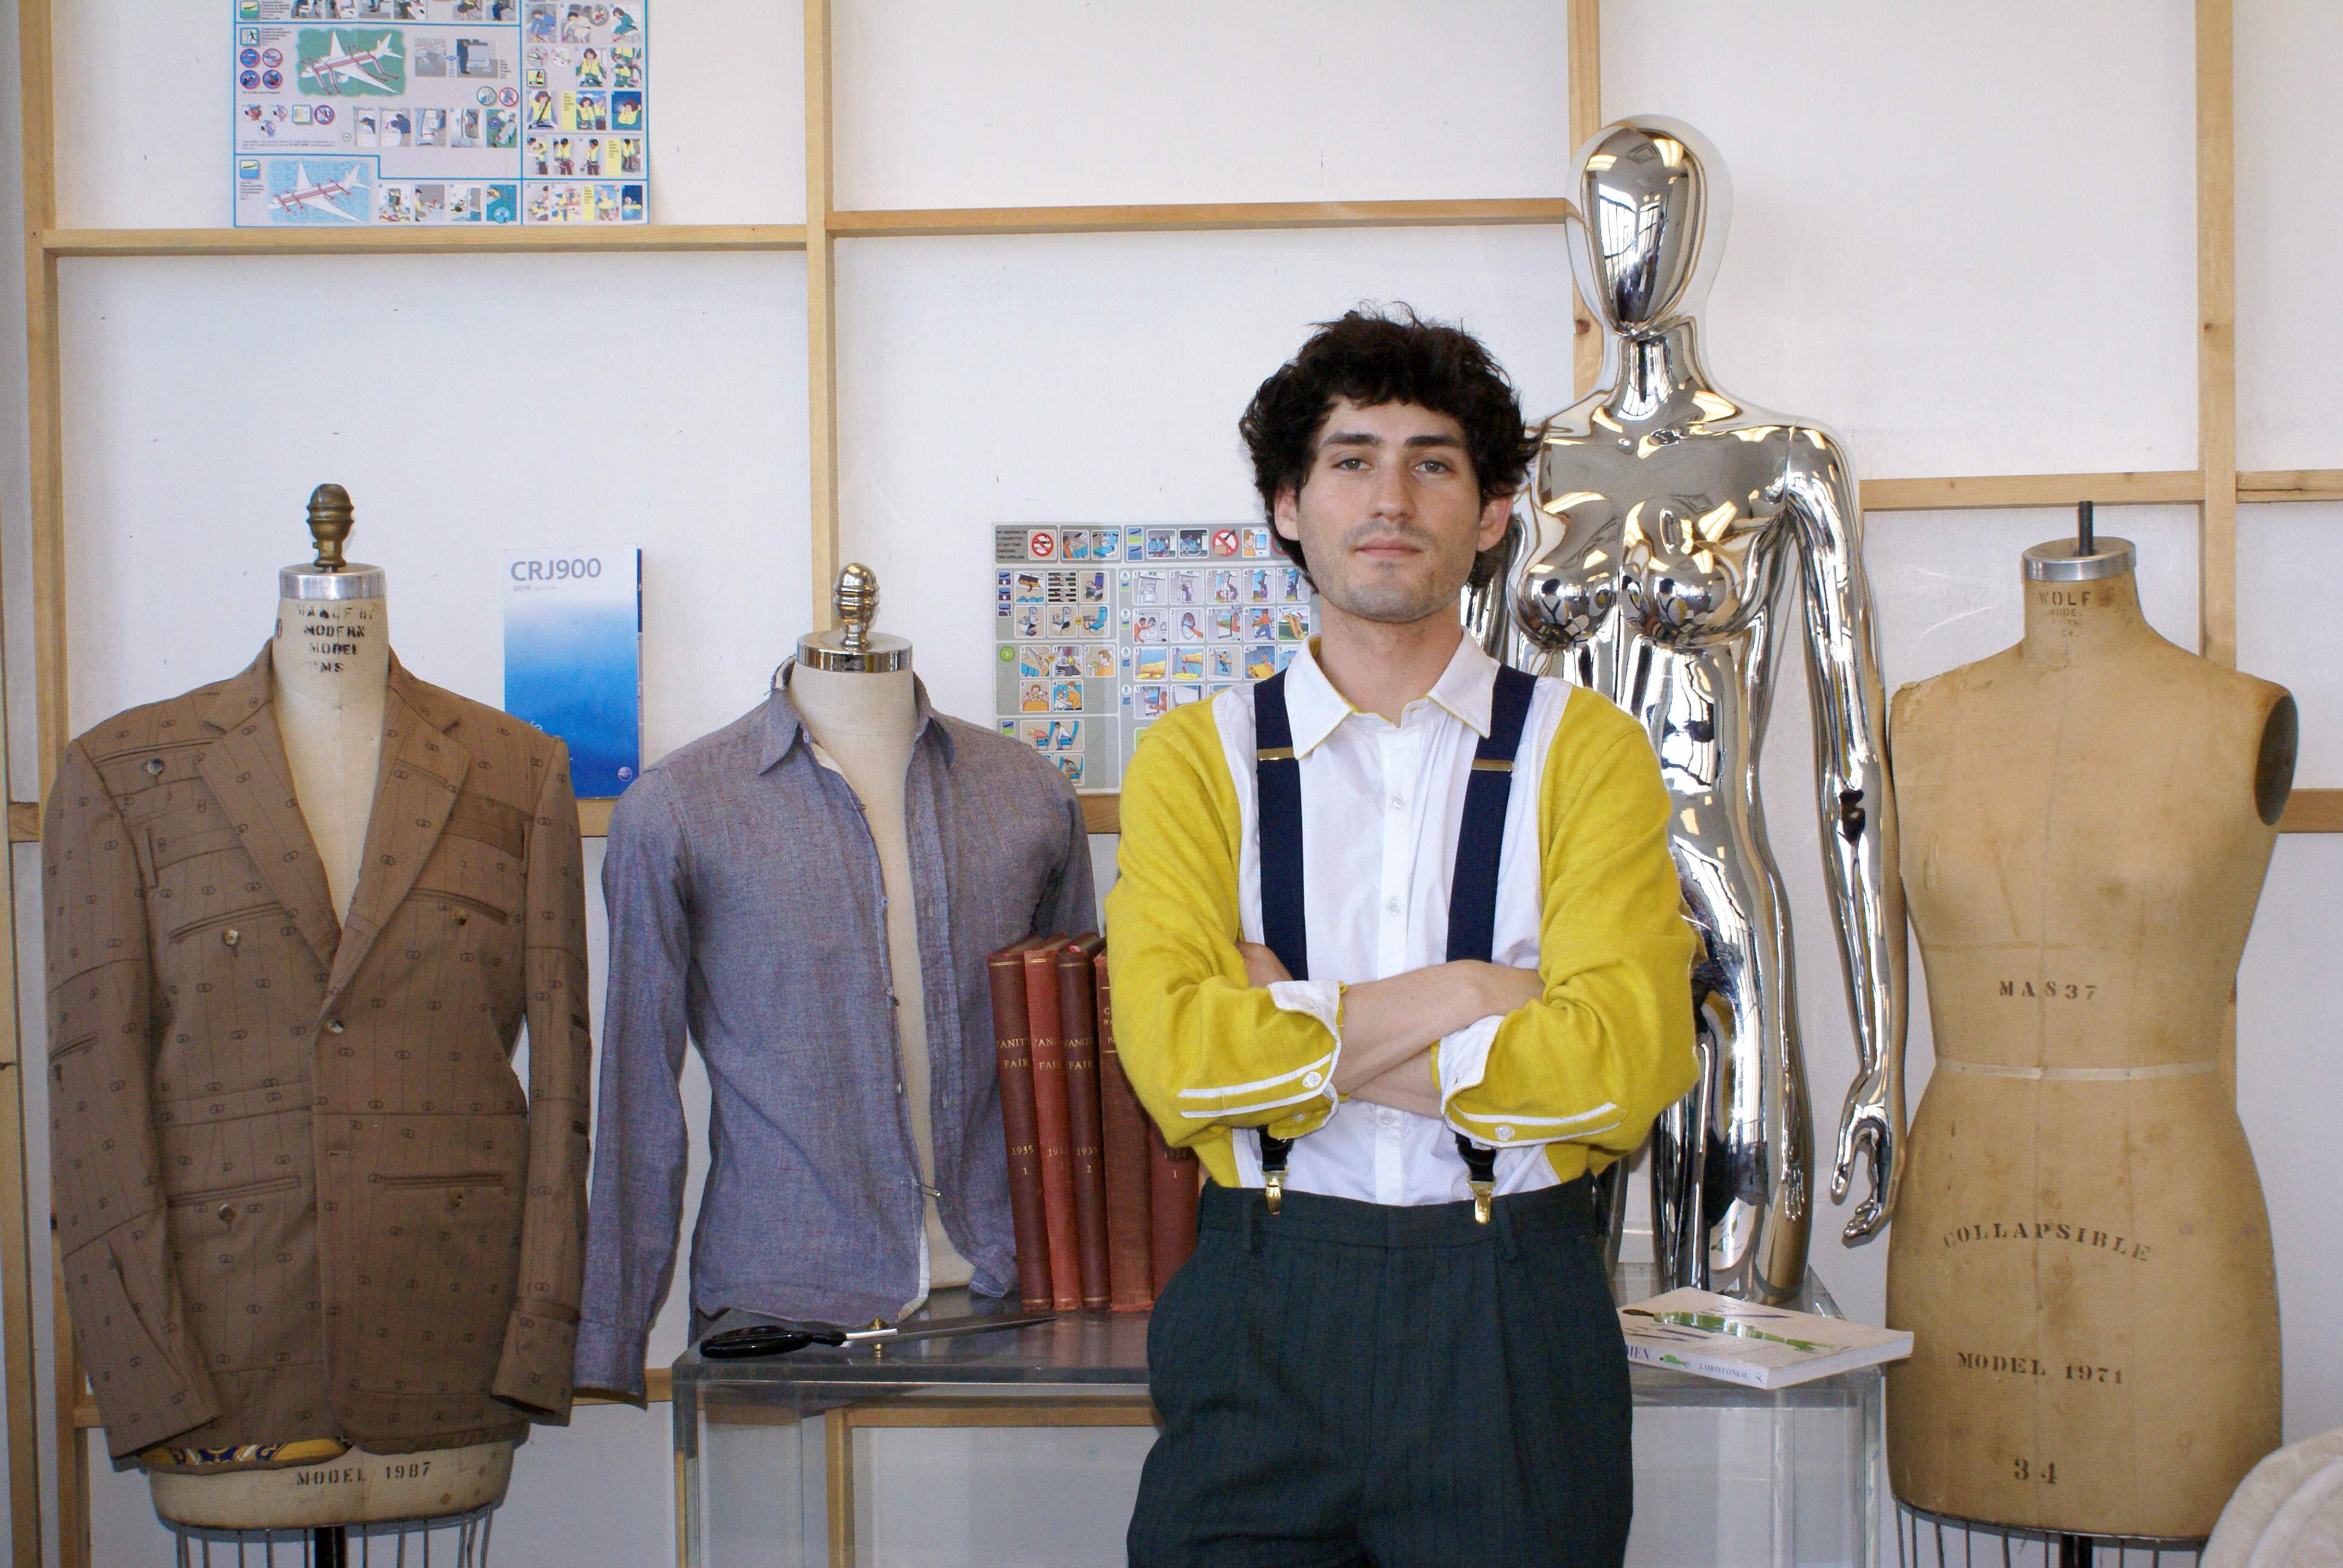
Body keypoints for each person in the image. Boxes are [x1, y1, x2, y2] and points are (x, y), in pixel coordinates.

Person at [1109, 308, 1699, 1567]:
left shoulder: (1582, 750)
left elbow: (1621, 1070)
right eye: (1350, 458)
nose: (1391, 497)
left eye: (1433, 462)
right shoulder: (1193, 760)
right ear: (1287, 505)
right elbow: (1174, 1068)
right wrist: (1478, 991)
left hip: (1511, 1319)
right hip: (1260, 1306)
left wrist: (1294, 1027)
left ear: (1489, 516)